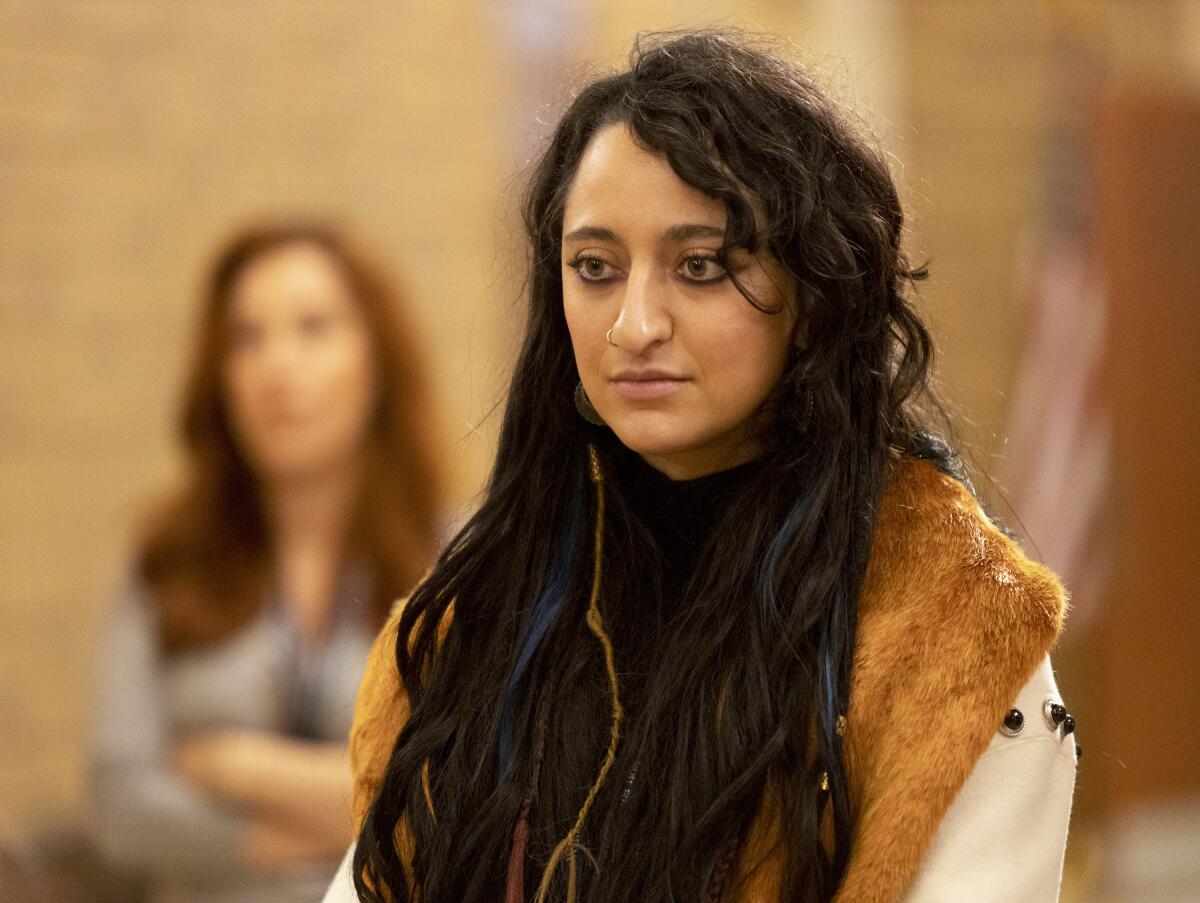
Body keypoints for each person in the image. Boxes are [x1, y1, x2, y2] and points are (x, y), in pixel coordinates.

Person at [328, 31, 1077, 903]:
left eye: (701, 265)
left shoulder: (957, 624)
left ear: (813, 288)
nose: (635, 323)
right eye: (595, 267)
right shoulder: (472, 622)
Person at [89, 219, 446, 903]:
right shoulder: (167, 557)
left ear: (378, 358)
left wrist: (235, 766)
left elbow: (458, 803)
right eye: (247, 337)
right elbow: (118, 803)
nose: (277, 366)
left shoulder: (454, 560)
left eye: (313, 328)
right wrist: (335, 819)